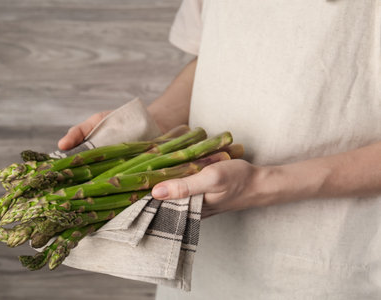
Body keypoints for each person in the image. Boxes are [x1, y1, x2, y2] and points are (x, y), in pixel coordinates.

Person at [59, 1, 381, 298]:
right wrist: (149, 129)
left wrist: (261, 184)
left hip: (324, 264)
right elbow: (214, 53)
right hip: (198, 256)